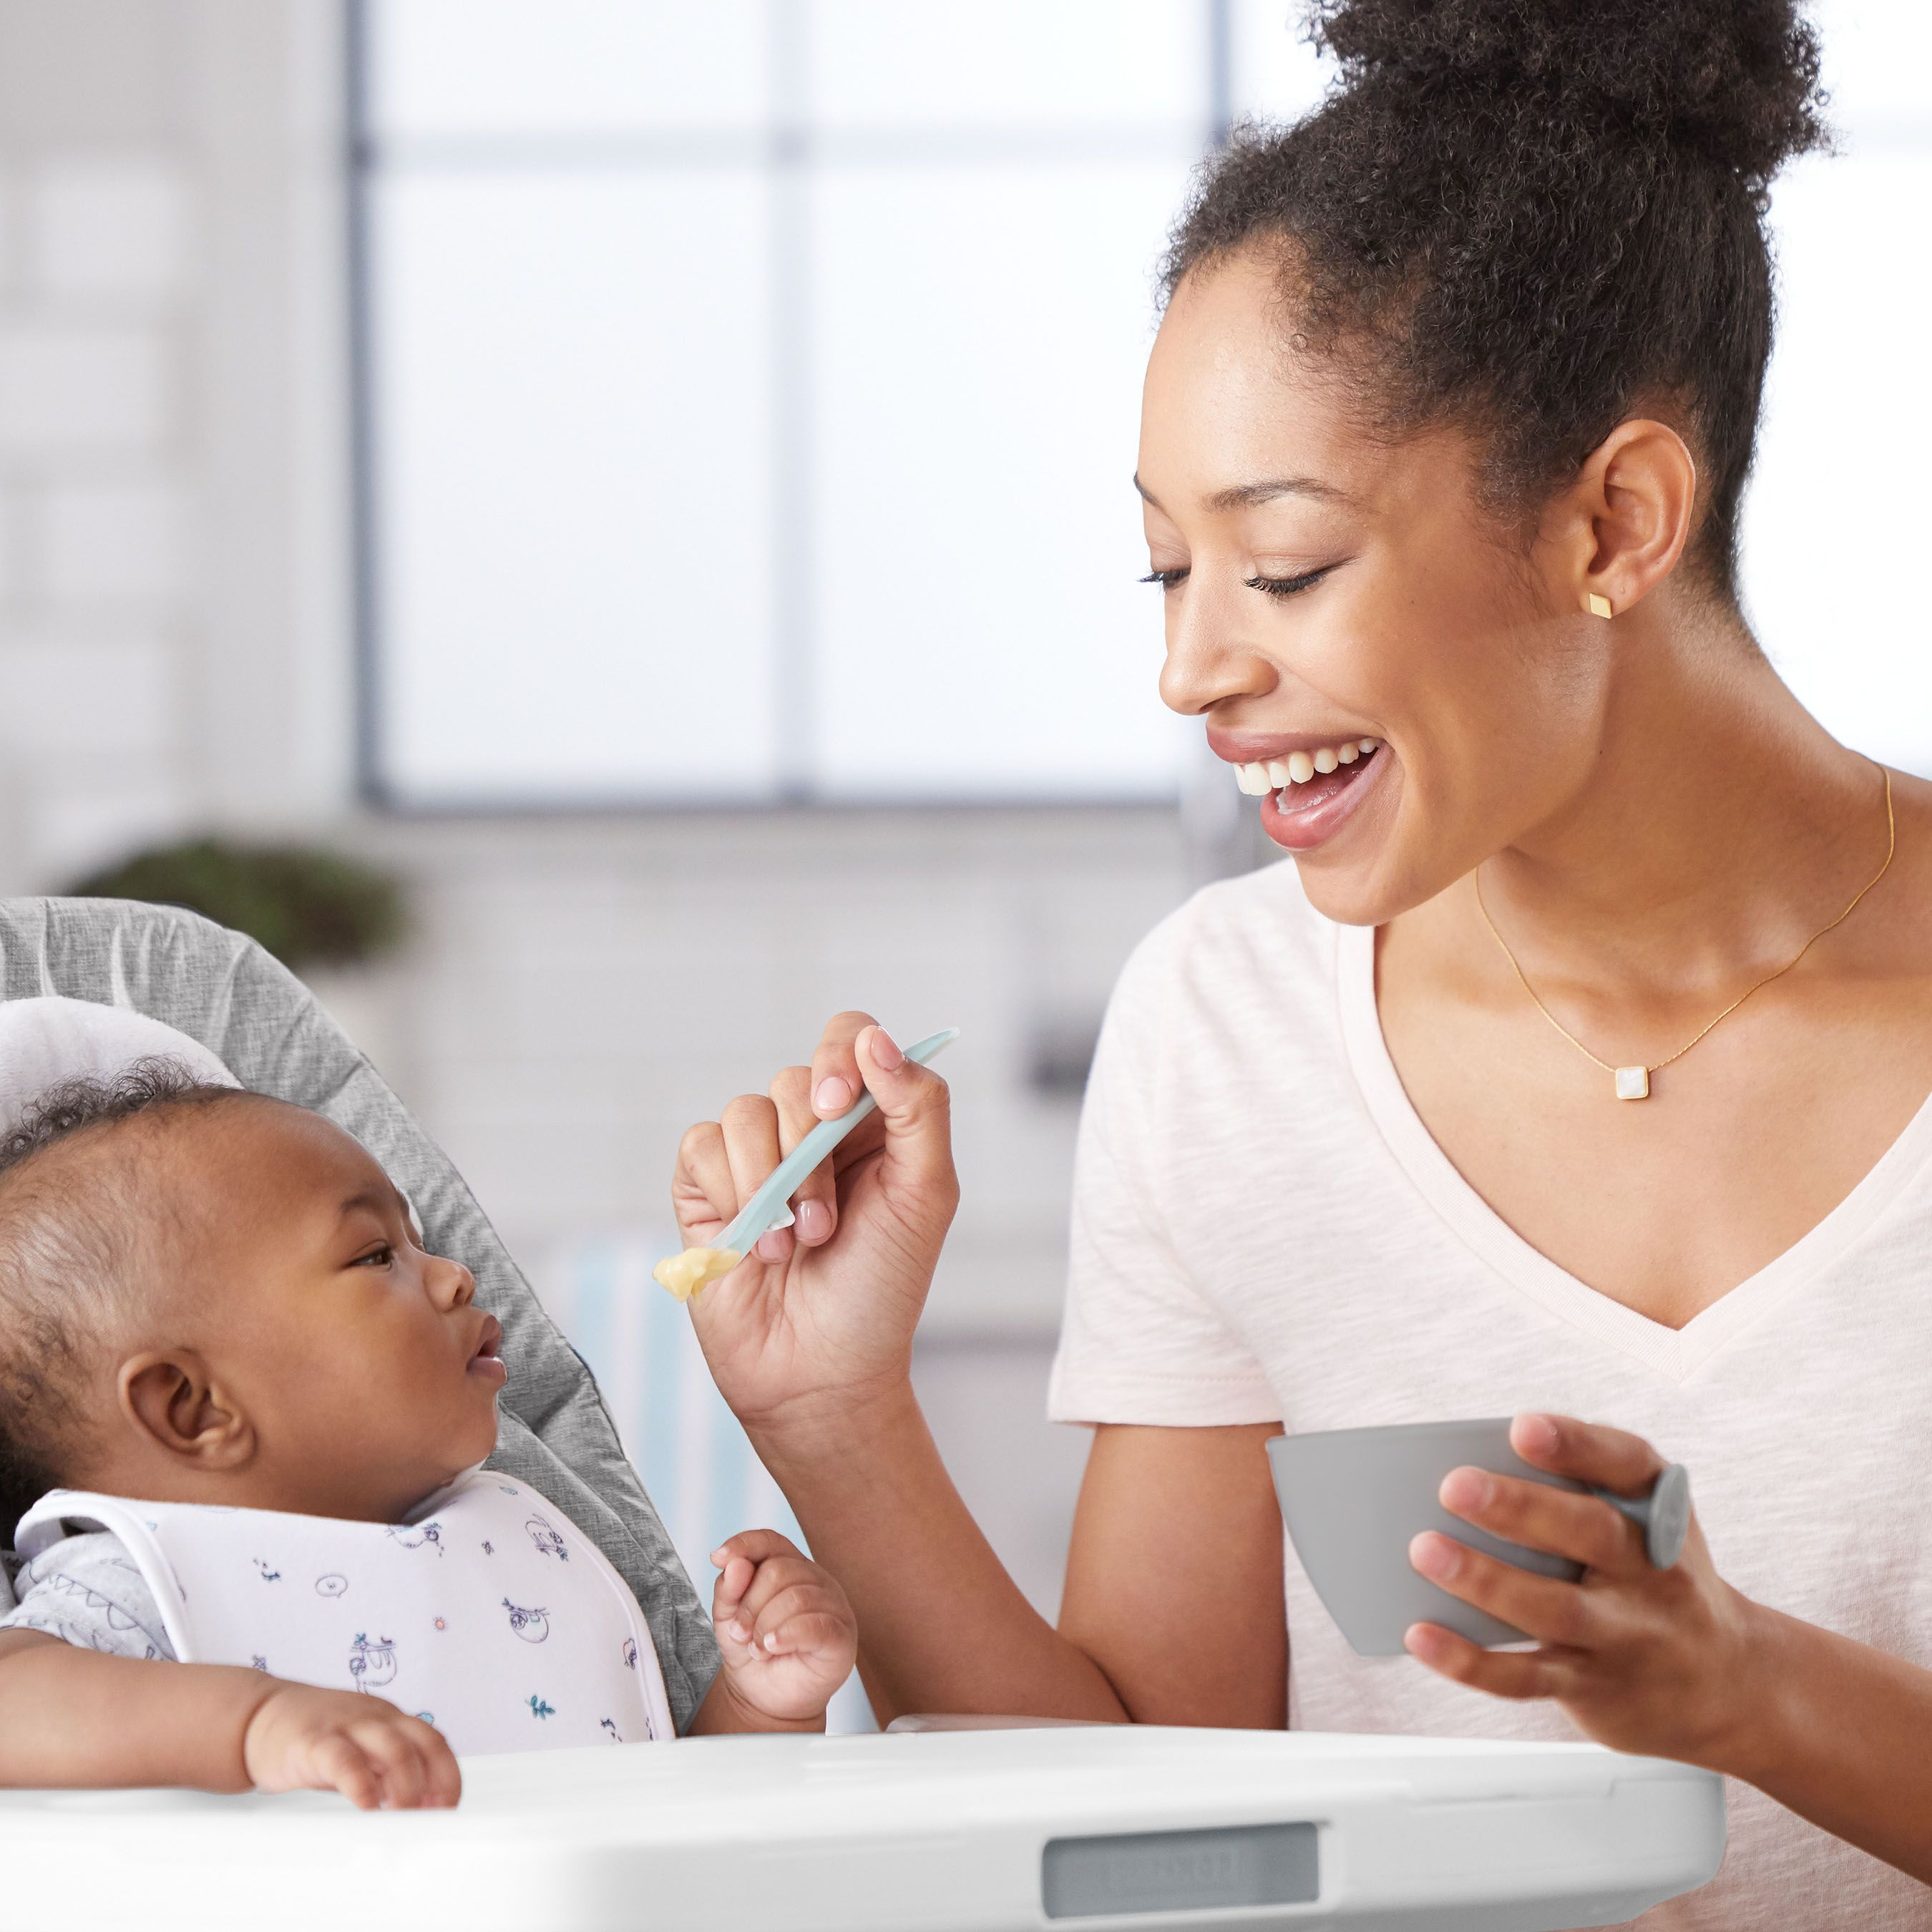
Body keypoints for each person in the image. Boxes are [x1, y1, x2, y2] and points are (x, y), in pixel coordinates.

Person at [664, 1, 1932, 1923]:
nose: (1190, 672)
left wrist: (1746, 1690)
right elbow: (1150, 1805)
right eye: (1167, 570)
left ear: (1614, 519)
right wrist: (832, 1412)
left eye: (1284, 564)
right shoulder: (1225, 1026)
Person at [0, 1065, 855, 1809]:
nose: (455, 1275)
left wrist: (760, 1708)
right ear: (193, 1407)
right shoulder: (143, 1581)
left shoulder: (515, 1544)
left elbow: (666, 1825)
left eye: (421, 1243)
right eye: (377, 1256)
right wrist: (254, 1724)